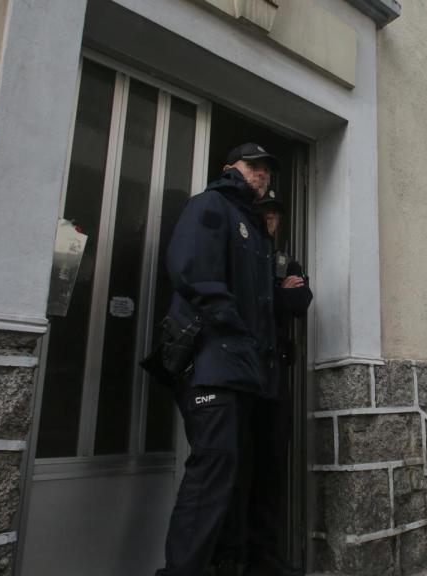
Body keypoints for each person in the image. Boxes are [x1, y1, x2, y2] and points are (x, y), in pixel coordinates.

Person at [156, 142, 282, 576]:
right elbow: (192, 270)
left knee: (236, 470)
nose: (261, 174)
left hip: (242, 368)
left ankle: (229, 562)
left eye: (266, 169)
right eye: (254, 166)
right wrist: (234, 327)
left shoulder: (253, 227)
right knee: (213, 468)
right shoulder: (211, 205)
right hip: (212, 363)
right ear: (230, 167)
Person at [245, 189, 312, 576]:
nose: (269, 219)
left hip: (275, 376)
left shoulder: (286, 260)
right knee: (236, 466)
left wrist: (273, 294)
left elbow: (300, 303)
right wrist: (275, 293)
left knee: (271, 469)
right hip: (240, 374)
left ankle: (264, 558)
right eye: (263, 212)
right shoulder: (238, 252)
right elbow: (246, 302)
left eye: (275, 214)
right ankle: (229, 557)